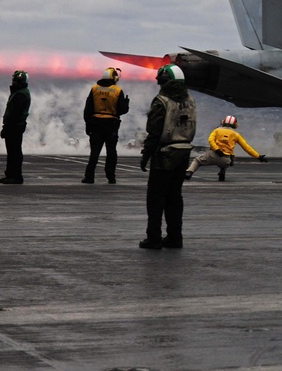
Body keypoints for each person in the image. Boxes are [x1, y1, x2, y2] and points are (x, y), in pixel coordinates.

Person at [139, 64, 196, 249]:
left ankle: (154, 238)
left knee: (155, 198)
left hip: (164, 155)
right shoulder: (190, 100)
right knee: (175, 197)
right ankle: (175, 237)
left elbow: (154, 132)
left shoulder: (161, 101)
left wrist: (146, 155)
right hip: (184, 153)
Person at [82, 67, 130, 184]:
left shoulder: (94, 89)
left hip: (96, 123)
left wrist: (87, 124)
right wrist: (126, 103)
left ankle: (89, 177)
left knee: (94, 152)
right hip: (111, 124)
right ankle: (111, 177)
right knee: (111, 151)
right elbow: (122, 110)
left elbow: (88, 108)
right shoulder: (118, 91)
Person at [185, 115, 266, 181]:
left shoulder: (216, 130)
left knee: (197, 160)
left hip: (212, 155)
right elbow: (247, 148)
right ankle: (222, 171)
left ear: (223, 122)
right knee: (230, 157)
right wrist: (258, 156)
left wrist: (216, 149)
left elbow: (210, 140)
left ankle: (189, 172)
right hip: (225, 160)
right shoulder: (236, 134)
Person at [0, 70, 30, 185]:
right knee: (12, 151)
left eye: (16, 80)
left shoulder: (20, 94)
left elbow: (14, 114)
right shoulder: (19, 93)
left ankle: (16, 176)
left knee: (14, 152)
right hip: (15, 126)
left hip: (15, 127)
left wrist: (6, 128)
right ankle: (10, 174)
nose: (14, 82)